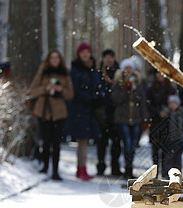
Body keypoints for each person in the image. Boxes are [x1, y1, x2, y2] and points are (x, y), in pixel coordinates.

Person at [29, 50, 74, 180]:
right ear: (48, 60)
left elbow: (70, 95)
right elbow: (32, 91)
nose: (54, 60)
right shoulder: (42, 74)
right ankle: (45, 166)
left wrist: (61, 90)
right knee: (46, 141)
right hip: (44, 112)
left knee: (56, 143)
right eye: (52, 58)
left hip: (59, 113)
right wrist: (46, 88)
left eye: (57, 58)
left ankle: (55, 170)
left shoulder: (65, 75)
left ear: (60, 60)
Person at [70, 42, 103, 180]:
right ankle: (81, 168)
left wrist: (98, 97)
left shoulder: (93, 70)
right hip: (80, 109)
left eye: (87, 52)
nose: (85, 54)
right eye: (83, 52)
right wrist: (90, 98)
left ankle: (81, 168)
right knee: (82, 140)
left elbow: (98, 85)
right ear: (79, 54)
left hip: (91, 110)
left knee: (86, 140)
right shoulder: (75, 70)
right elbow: (76, 90)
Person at [111, 58, 149, 179]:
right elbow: (116, 100)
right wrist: (126, 90)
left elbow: (142, 101)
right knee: (127, 143)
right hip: (122, 119)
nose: (128, 71)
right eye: (126, 68)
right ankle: (127, 168)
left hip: (136, 119)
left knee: (133, 145)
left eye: (130, 68)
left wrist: (145, 118)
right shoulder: (118, 83)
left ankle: (129, 166)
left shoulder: (139, 83)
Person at [97, 49, 122, 176]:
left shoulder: (119, 73)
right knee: (102, 142)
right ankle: (100, 166)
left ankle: (115, 167)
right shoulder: (98, 73)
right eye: (106, 57)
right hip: (102, 112)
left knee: (116, 142)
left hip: (116, 112)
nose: (108, 60)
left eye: (110, 57)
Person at [147, 70, 177, 172]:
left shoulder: (171, 89)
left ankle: (165, 171)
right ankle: (155, 171)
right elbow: (148, 104)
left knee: (166, 148)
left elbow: (175, 103)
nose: (161, 75)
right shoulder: (151, 89)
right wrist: (158, 112)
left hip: (167, 122)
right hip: (155, 121)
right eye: (159, 73)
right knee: (155, 149)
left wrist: (167, 111)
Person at [156, 94, 183, 176]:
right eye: (171, 103)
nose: (173, 105)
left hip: (179, 140)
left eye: (175, 103)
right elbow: (162, 127)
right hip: (168, 140)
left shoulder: (182, 113)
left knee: (177, 159)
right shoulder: (166, 114)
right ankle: (166, 173)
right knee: (168, 158)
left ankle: (177, 174)